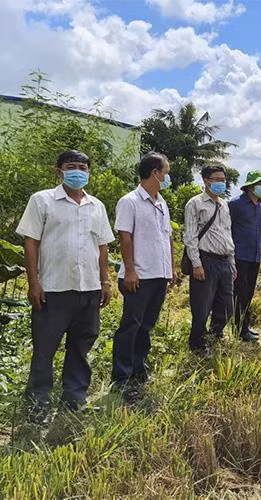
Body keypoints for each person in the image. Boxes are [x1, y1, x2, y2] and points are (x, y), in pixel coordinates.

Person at [15, 150, 115, 421]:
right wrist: (33, 282)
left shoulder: (97, 206)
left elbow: (102, 246)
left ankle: (75, 398)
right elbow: (31, 242)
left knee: (81, 347)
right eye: (71, 167)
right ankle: (38, 403)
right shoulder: (42, 200)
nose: (77, 172)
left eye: (83, 168)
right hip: (53, 288)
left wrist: (105, 281)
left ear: (89, 172)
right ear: (58, 171)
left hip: (88, 288)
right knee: (45, 349)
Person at [111, 152, 177, 403]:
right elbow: (125, 237)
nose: (167, 177)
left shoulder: (161, 203)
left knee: (146, 325)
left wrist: (170, 269)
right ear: (155, 173)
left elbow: (167, 237)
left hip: (159, 274)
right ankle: (122, 377)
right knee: (131, 326)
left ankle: (139, 369)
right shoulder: (130, 202)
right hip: (139, 275)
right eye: (166, 172)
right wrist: (129, 270)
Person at [184, 165, 236, 354]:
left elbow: (227, 233)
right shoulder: (195, 203)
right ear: (206, 181)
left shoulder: (224, 205)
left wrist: (232, 262)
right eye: (217, 180)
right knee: (202, 305)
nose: (221, 183)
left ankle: (215, 334)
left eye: (223, 180)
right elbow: (190, 236)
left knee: (227, 305)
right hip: (205, 260)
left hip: (225, 260)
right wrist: (196, 264)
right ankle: (197, 343)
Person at [229, 170, 261, 342]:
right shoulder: (236, 204)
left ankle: (244, 326)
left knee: (249, 293)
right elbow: (227, 229)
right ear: (250, 186)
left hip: (254, 256)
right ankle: (239, 330)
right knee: (239, 294)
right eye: (259, 184)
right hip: (239, 256)